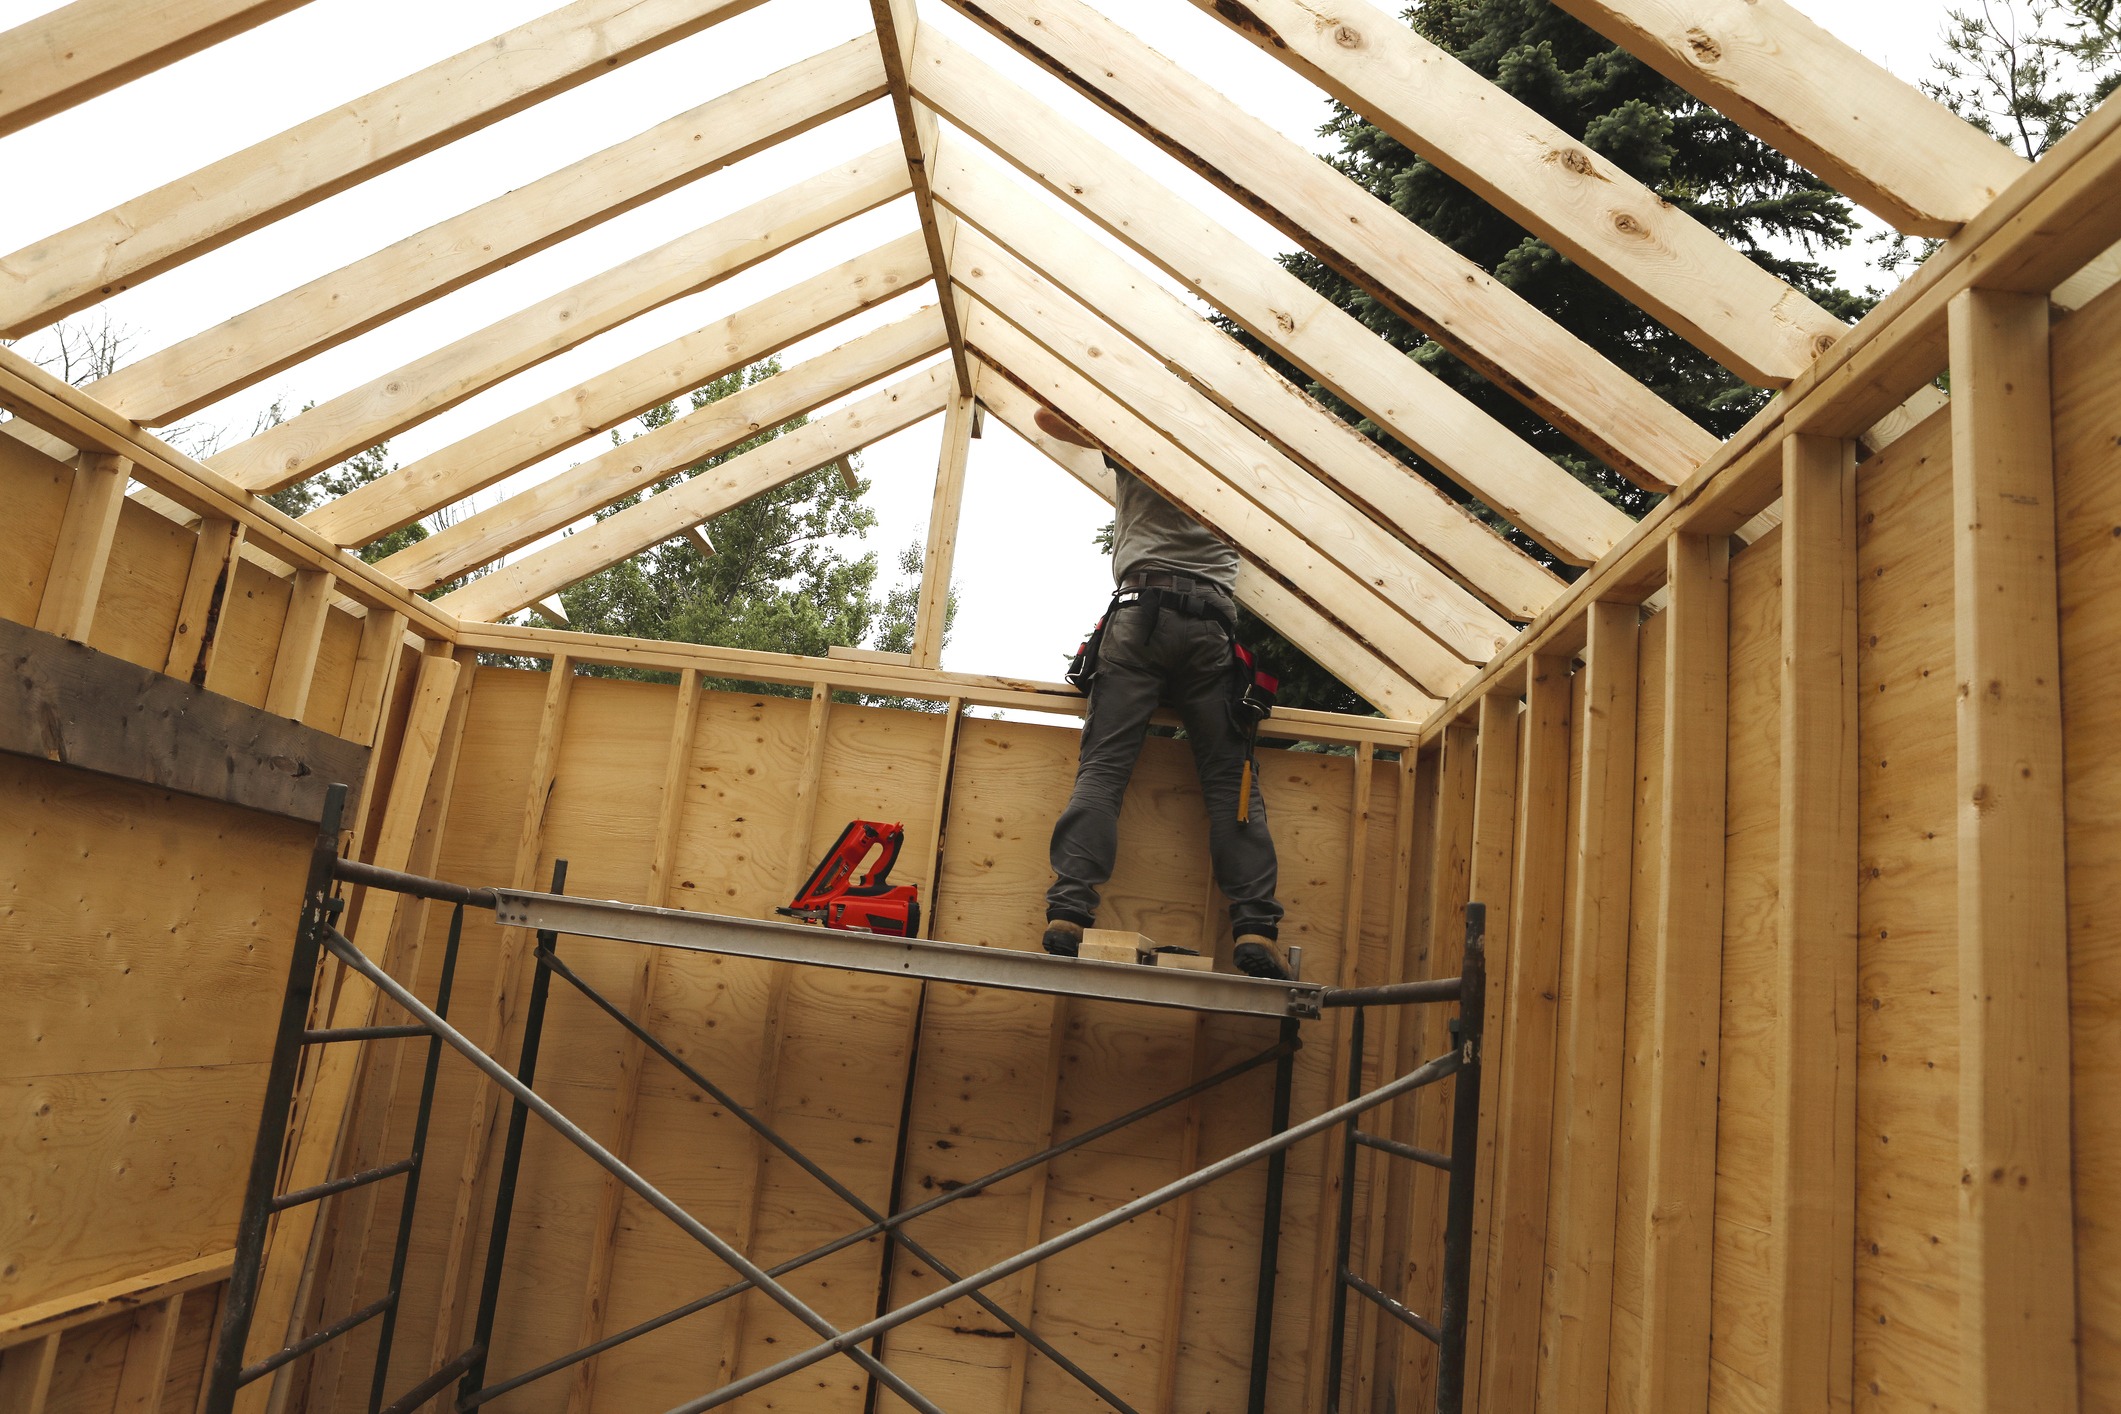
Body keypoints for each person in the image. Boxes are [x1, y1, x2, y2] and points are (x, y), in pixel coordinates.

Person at [1032, 405, 1291, 980]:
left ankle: (1069, 912)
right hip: (1210, 629)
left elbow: (1047, 415)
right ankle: (1253, 927)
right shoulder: (1239, 462)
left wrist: (1119, 416)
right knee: (1230, 785)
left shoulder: (1137, 436)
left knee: (1103, 769)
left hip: (1138, 615)